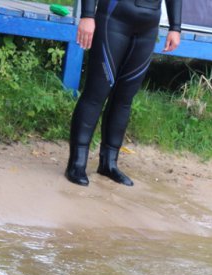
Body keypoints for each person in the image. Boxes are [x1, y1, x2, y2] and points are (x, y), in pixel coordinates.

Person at [65, 0, 182, 186]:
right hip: (114, 18)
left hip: (148, 26)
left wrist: (175, 27)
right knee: (96, 93)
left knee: (124, 98)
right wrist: (87, 15)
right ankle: (77, 163)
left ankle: (109, 163)